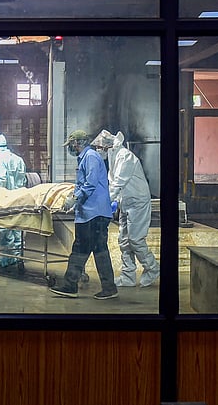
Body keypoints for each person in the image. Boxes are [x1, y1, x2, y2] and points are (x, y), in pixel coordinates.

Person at [50, 129, 118, 300]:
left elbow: (90, 183)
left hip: (93, 213)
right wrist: (74, 199)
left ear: (77, 143)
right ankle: (109, 288)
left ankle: (70, 285)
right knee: (99, 249)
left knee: (80, 248)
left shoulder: (91, 157)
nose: (70, 148)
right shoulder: (85, 158)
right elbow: (82, 184)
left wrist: (75, 198)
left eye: (71, 144)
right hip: (93, 212)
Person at [92, 129, 160, 287]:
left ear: (108, 146)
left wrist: (104, 203)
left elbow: (118, 182)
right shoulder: (113, 156)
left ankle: (153, 268)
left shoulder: (125, 156)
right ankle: (128, 276)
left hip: (138, 202)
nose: (98, 150)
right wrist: (115, 201)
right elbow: (113, 181)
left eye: (99, 148)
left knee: (135, 239)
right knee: (123, 240)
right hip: (126, 202)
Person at [0, 133, 27, 268]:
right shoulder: (18, 159)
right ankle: (18, 255)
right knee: (18, 227)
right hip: (19, 199)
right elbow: (23, 180)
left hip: (5, 200)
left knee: (4, 228)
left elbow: (1, 180)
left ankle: (8, 256)